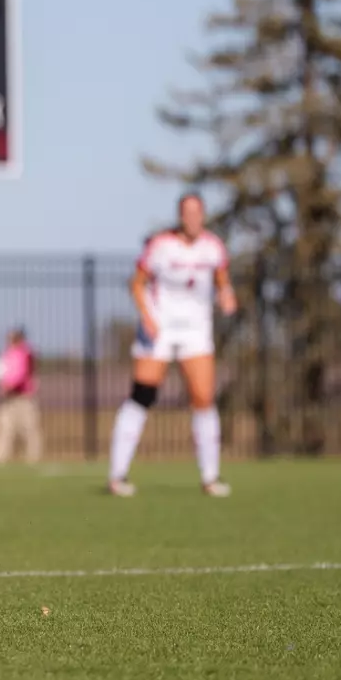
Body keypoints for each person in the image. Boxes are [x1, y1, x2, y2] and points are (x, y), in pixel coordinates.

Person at [108, 192, 236, 497]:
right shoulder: (161, 246)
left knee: (203, 397)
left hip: (196, 330)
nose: (192, 218)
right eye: (187, 212)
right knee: (143, 394)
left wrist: (227, 295)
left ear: (203, 215)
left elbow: (222, 280)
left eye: (197, 212)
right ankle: (117, 475)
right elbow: (136, 283)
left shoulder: (213, 247)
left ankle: (210, 477)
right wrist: (148, 318)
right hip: (160, 328)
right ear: (180, 216)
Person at [0, 327, 43, 465]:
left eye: (11, 338)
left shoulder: (27, 353)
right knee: (4, 429)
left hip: (23, 398)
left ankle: (33, 459)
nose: (8, 341)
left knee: (29, 430)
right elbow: (2, 374)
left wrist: (12, 386)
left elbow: (23, 373)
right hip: (7, 399)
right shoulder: (6, 354)